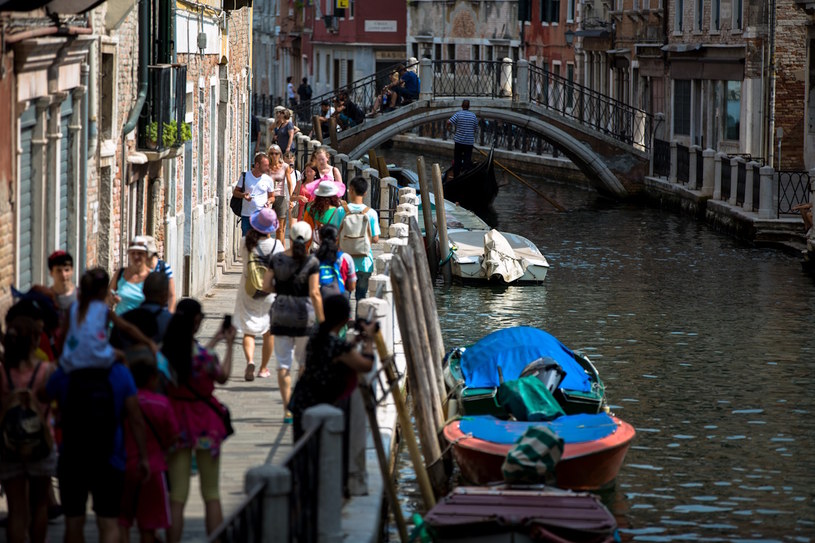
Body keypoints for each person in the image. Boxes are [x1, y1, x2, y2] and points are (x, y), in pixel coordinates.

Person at [46, 314, 151, 543]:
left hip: (72, 455)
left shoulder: (64, 372)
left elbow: (43, 397)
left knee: (74, 522)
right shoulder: (119, 372)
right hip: (110, 455)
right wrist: (143, 456)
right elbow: (135, 417)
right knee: (108, 521)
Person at [163, 299, 236, 542]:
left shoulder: (166, 355)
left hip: (177, 426)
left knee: (177, 495)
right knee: (211, 492)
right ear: (196, 322)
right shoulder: (205, 357)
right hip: (206, 426)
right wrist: (230, 345)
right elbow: (222, 376)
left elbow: (190, 360)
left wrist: (215, 339)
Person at [0, 316, 57, 543]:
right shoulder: (46, 370)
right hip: (40, 444)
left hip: (9, 445)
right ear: (34, 341)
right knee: (40, 505)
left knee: (16, 509)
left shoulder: (2, 372)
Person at [289, 294, 375, 440]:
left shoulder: (316, 335)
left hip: (302, 400)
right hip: (318, 403)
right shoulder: (336, 345)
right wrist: (369, 340)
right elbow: (366, 365)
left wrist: (352, 343)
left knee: (303, 449)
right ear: (344, 319)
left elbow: (332, 355)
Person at [262, 221, 324, 424]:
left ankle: (287, 408)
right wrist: (323, 321)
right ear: (308, 241)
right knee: (304, 363)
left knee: (283, 364)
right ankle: (300, 401)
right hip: (304, 317)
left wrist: (281, 292)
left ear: (290, 237)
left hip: (280, 314)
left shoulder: (277, 259)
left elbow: (265, 285)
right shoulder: (312, 262)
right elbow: (315, 293)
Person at [118, 347, 179, 543]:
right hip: (153, 468)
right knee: (149, 525)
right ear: (153, 378)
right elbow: (173, 436)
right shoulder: (161, 404)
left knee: (123, 522)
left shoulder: (122, 403)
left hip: (124, 466)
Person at [234, 208, 284, 381]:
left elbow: (243, 260)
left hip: (249, 290)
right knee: (268, 331)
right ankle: (263, 368)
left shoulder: (244, 242)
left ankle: (249, 361)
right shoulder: (278, 246)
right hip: (270, 292)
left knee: (249, 330)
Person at [333, 176, 381, 304]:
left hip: (343, 261)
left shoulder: (341, 211)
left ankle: (344, 322)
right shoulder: (371, 213)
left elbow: (333, 233)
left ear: (351, 190)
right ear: (365, 193)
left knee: (344, 296)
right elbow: (376, 238)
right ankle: (359, 321)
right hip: (365, 262)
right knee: (361, 296)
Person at [233, 153, 275, 237]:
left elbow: (272, 196)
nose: (268, 167)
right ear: (257, 165)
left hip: (261, 215)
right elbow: (235, 193)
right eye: (265, 165)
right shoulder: (245, 176)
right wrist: (243, 195)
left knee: (260, 241)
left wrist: (269, 201)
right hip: (246, 215)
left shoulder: (268, 180)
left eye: (268, 165)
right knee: (246, 242)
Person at [110, 237, 154, 315]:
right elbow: (108, 297)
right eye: (133, 253)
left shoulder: (152, 277)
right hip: (119, 324)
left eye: (140, 253)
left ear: (147, 255)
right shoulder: (120, 273)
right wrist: (112, 299)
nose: (136, 256)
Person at [315, 224, 357, 299]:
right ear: (337, 238)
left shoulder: (313, 259)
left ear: (320, 238)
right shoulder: (346, 258)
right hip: (340, 299)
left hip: (319, 299)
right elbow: (352, 286)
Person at [266, 144, 295, 243]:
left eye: (276, 153)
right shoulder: (266, 167)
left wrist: (291, 198)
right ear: (268, 155)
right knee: (268, 226)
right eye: (271, 153)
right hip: (268, 197)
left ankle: (279, 250)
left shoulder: (285, 166)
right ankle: (269, 248)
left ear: (280, 155)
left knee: (280, 228)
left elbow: (290, 183)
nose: (274, 156)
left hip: (281, 197)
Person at [303, 181, 343, 252]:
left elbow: (306, 234)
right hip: (333, 250)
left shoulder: (310, 211)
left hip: (315, 250)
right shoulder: (339, 211)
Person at [143, 236, 177, 312]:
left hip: (161, 313)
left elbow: (171, 295)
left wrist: (169, 316)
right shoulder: (138, 268)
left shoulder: (164, 267)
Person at [447, 99, 478, 178]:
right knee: (467, 160)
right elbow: (476, 129)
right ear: (469, 107)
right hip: (469, 142)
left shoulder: (458, 114)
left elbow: (448, 122)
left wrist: (448, 129)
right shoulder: (473, 116)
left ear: (462, 106)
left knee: (457, 160)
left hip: (459, 141)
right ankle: (465, 175)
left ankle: (456, 176)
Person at [47, 250, 76, 315]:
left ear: (72, 271)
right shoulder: (46, 299)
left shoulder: (81, 297)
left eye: (67, 270)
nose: (63, 274)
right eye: (58, 271)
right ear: (51, 273)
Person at [283, 151, 303, 223]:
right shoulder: (281, 173)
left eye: (290, 164)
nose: (288, 167)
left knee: (293, 225)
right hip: (282, 201)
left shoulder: (297, 173)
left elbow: (299, 187)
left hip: (293, 202)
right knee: (282, 226)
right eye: (286, 164)